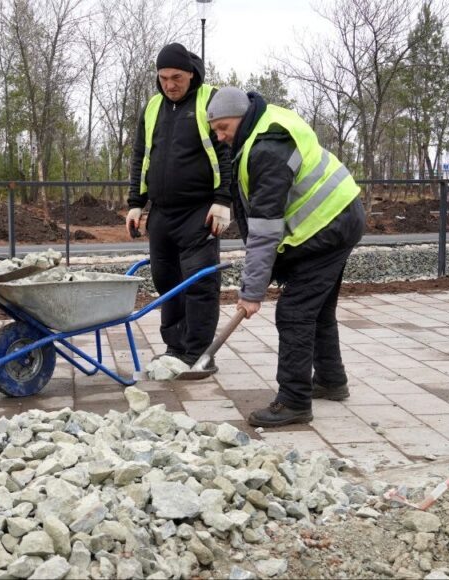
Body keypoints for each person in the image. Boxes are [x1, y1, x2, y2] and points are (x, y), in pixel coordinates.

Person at [206, 87, 365, 427]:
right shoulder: (260, 130)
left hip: (329, 225)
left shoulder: (267, 148)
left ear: (241, 117)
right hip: (338, 216)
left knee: (294, 312)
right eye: (215, 130)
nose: (219, 137)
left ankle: (293, 401)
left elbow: (265, 230)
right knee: (317, 309)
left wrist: (251, 292)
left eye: (223, 128)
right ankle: (331, 380)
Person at [126, 43, 233, 371]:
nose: (170, 85)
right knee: (166, 281)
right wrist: (135, 203)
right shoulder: (153, 107)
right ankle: (175, 348)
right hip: (161, 213)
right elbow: (141, 156)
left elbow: (227, 152)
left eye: (177, 77)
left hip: (199, 212)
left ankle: (199, 354)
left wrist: (223, 201)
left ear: (191, 74)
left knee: (199, 284)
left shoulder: (209, 100)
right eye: (163, 78)